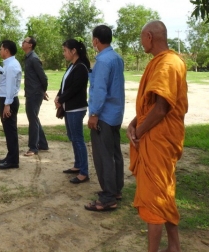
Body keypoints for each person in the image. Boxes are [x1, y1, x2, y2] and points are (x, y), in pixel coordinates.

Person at [127, 21, 188, 252]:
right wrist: (134, 123)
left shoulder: (168, 64)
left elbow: (162, 109)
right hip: (155, 136)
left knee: (155, 198)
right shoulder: (163, 62)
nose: (141, 42)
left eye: (142, 37)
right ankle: (174, 247)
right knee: (164, 192)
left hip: (159, 139)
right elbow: (151, 105)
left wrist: (139, 131)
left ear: (150, 37)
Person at [84, 25, 126, 212]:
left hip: (103, 115)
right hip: (115, 114)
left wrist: (94, 114)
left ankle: (108, 197)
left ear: (96, 40)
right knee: (115, 153)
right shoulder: (116, 58)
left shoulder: (102, 61)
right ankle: (115, 190)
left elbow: (100, 90)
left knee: (103, 156)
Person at [55, 39, 90, 184]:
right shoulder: (72, 66)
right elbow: (64, 85)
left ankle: (84, 172)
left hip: (76, 108)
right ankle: (78, 165)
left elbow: (75, 88)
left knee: (78, 139)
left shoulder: (81, 67)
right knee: (73, 137)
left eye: (65, 50)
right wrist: (59, 96)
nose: (64, 53)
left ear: (73, 51)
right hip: (69, 108)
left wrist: (61, 99)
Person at [0, 40, 23, 170]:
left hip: (8, 101)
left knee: (10, 131)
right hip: (6, 100)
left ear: (6, 50)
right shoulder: (9, 64)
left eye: (1, 49)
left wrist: (7, 104)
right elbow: (4, 74)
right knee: (8, 130)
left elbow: (10, 86)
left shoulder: (12, 66)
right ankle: (10, 156)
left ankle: (13, 160)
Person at [21, 36, 50, 156]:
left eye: (25, 41)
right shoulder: (28, 58)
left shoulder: (33, 58)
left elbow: (43, 77)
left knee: (32, 119)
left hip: (34, 93)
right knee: (34, 118)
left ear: (30, 45)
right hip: (32, 92)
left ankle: (33, 148)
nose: (22, 43)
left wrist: (42, 91)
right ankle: (42, 144)